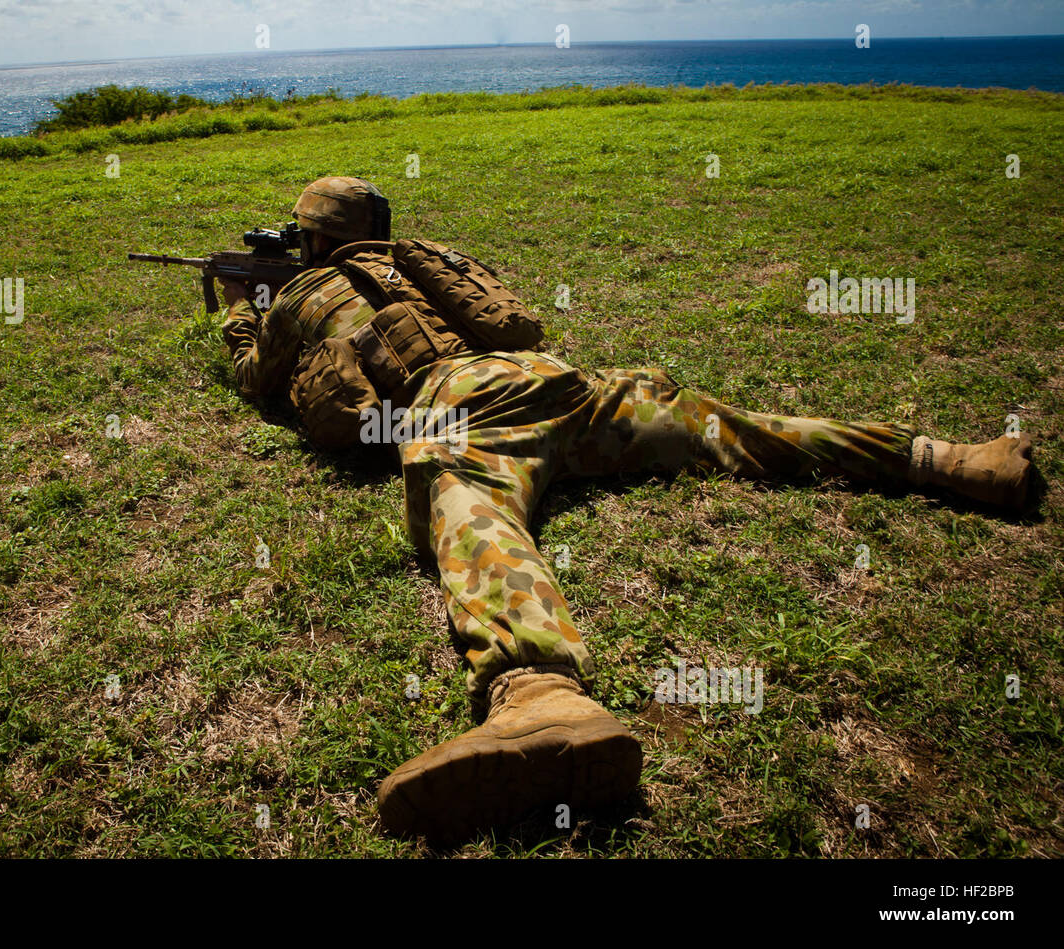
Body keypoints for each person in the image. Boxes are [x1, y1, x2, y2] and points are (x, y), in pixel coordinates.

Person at [218, 176, 1035, 842]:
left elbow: (262, 382)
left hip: (463, 403)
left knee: (472, 512)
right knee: (738, 432)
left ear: (314, 243)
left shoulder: (307, 291)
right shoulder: (424, 261)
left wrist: (235, 317)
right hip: (561, 381)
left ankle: (539, 693)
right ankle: (948, 459)